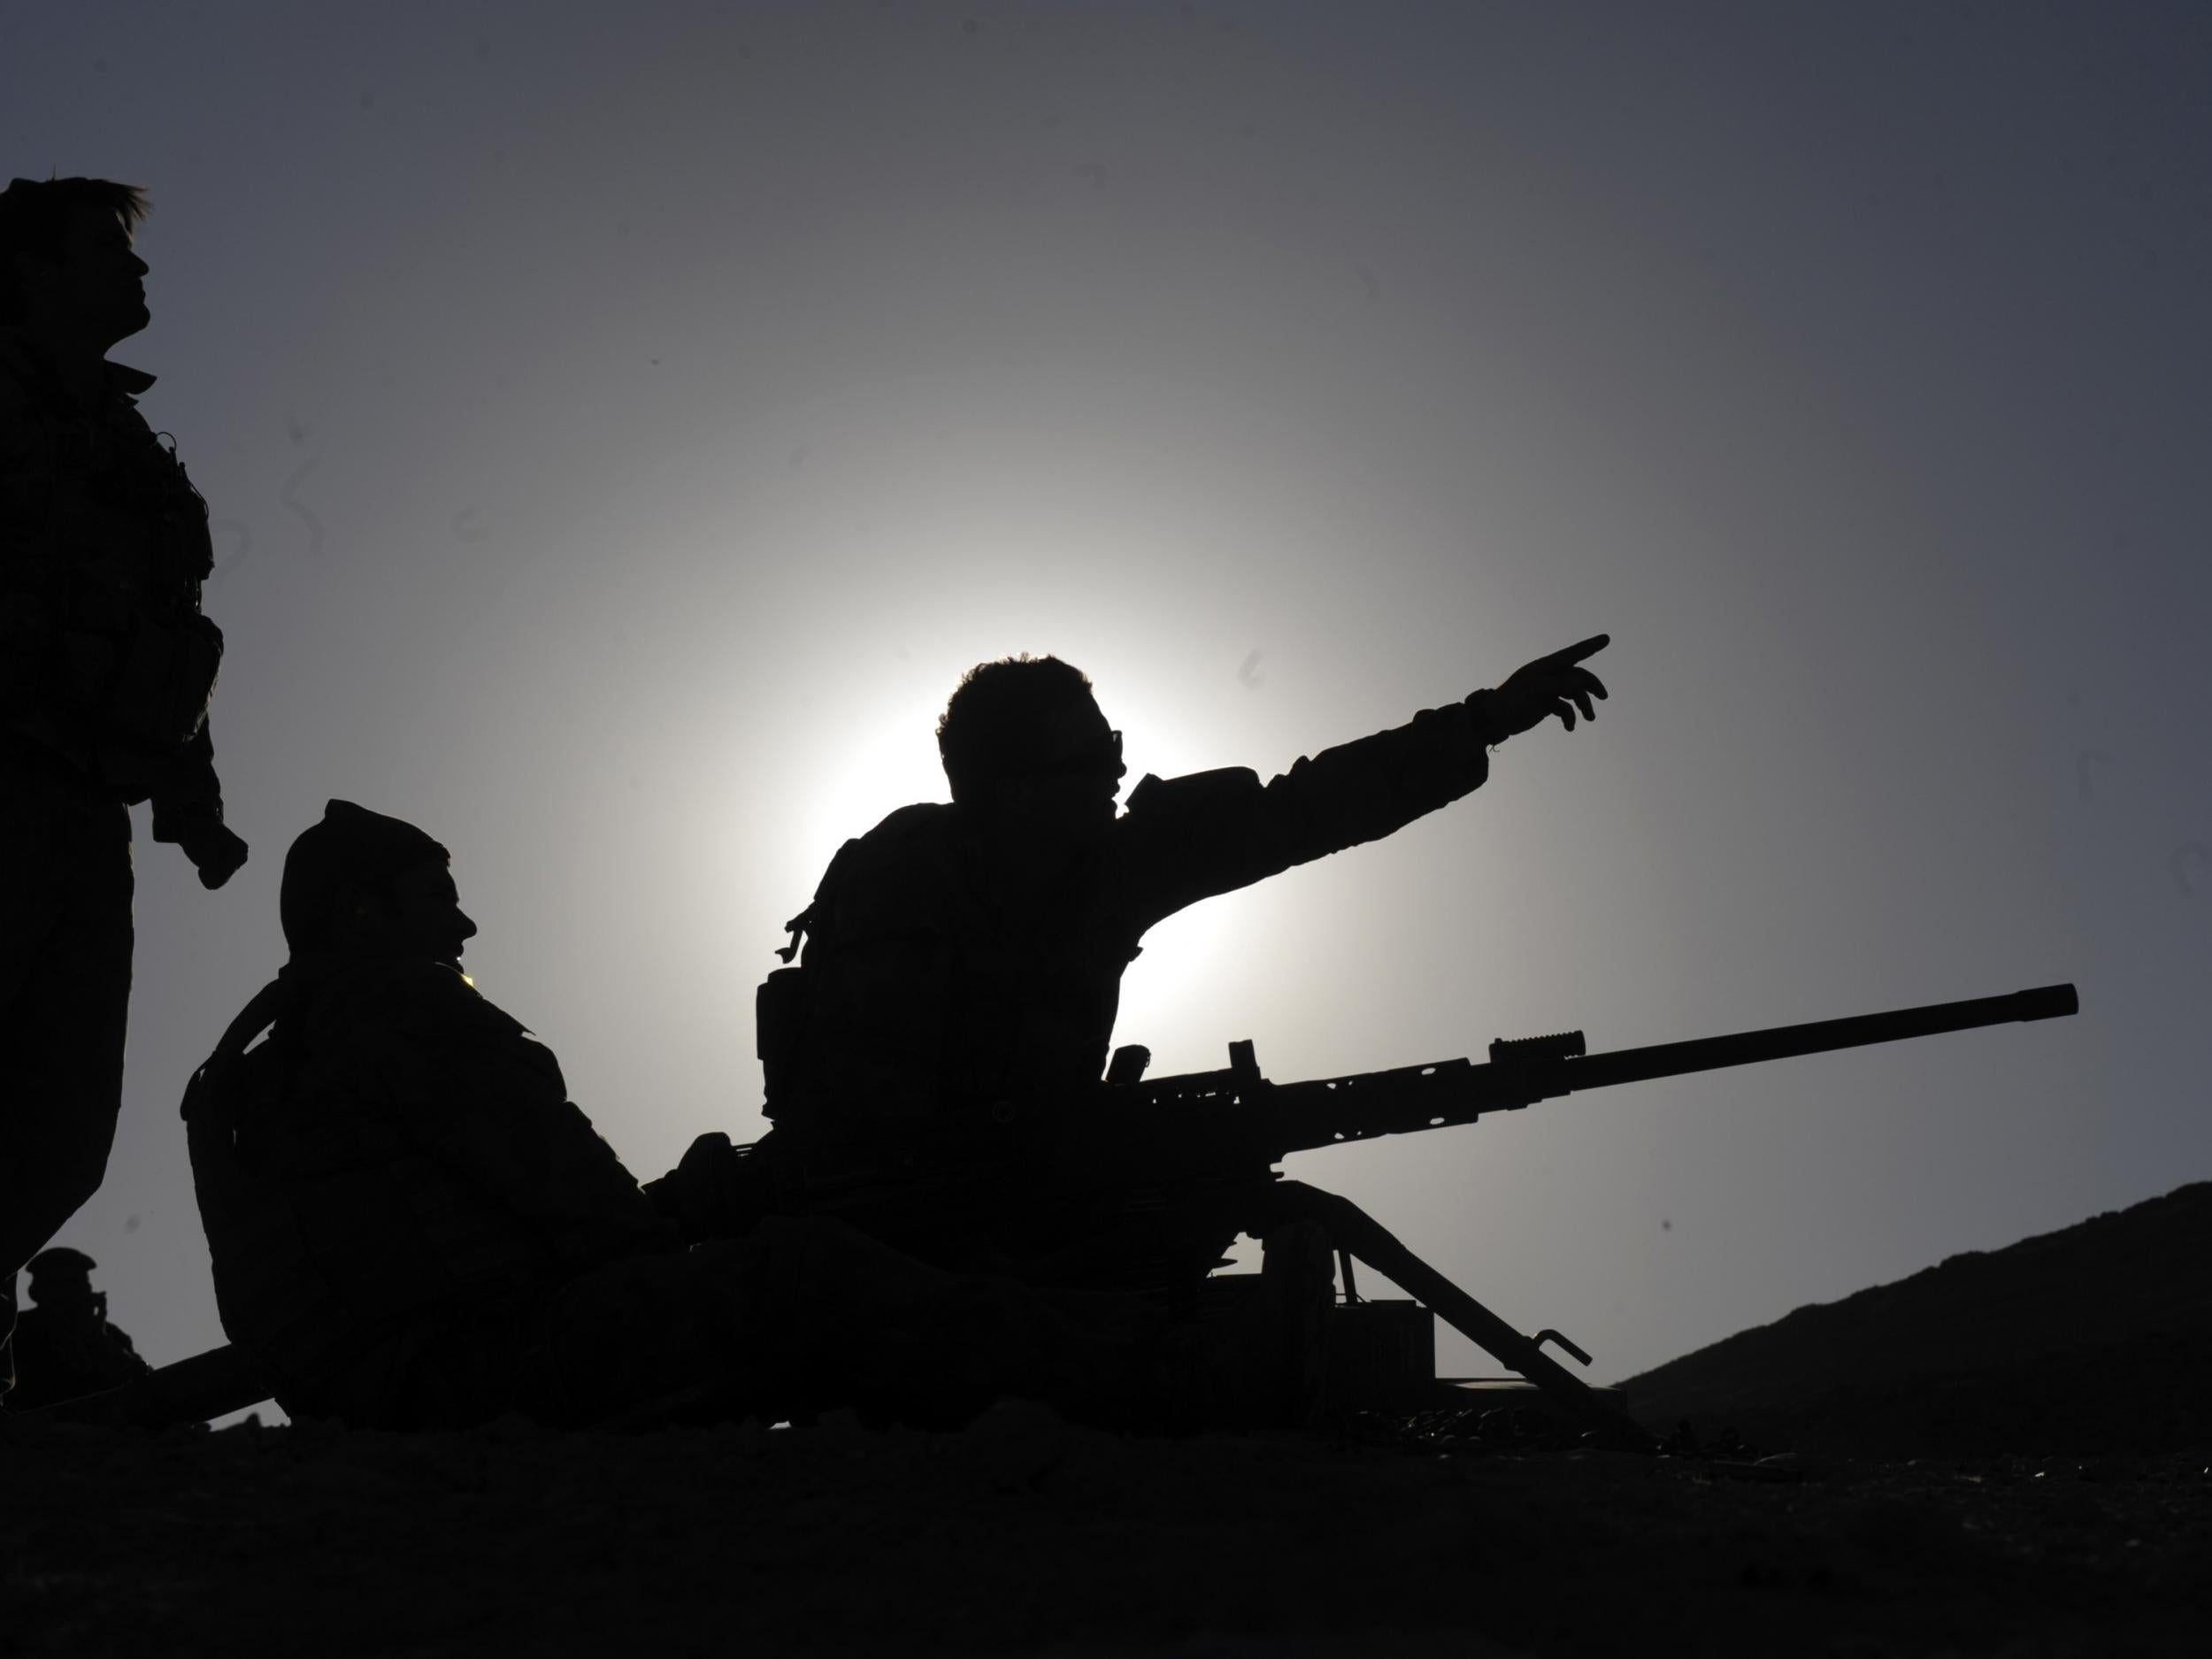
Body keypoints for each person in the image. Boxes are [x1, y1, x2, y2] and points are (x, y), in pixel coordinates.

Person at [184, 802, 1163, 1431]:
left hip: (381, 1393)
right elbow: (585, 1214)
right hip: (470, 1384)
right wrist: (695, 1212)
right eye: (436, 899)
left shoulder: (258, 1065)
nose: (465, 926)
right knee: (807, 1272)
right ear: (363, 912)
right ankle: (1199, 1370)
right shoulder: (402, 1009)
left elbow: (460, 1229)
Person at [727, 639, 1611, 1280]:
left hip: (1018, 1191)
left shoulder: (1109, 869)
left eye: (1113, 749)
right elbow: (874, 1132)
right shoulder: (899, 883)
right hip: (876, 1218)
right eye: (1090, 759)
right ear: (1010, 789)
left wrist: (1483, 722)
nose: (1117, 775)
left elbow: (1296, 812)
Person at [0, 176, 248, 1396]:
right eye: (105, 251)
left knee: (60, 1135)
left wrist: (191, 807)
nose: (136, 271)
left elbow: (165, 633)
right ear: (32, 272)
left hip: (89, 805)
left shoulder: (127, 447)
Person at [4, 1247, 153, 1409]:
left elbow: (148, 1381)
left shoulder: (109, 1334)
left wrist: (100, 1340)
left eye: (81, 1283)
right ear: (38, 1291)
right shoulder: (18, 1331)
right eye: (63, 1285)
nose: (76, 1293)